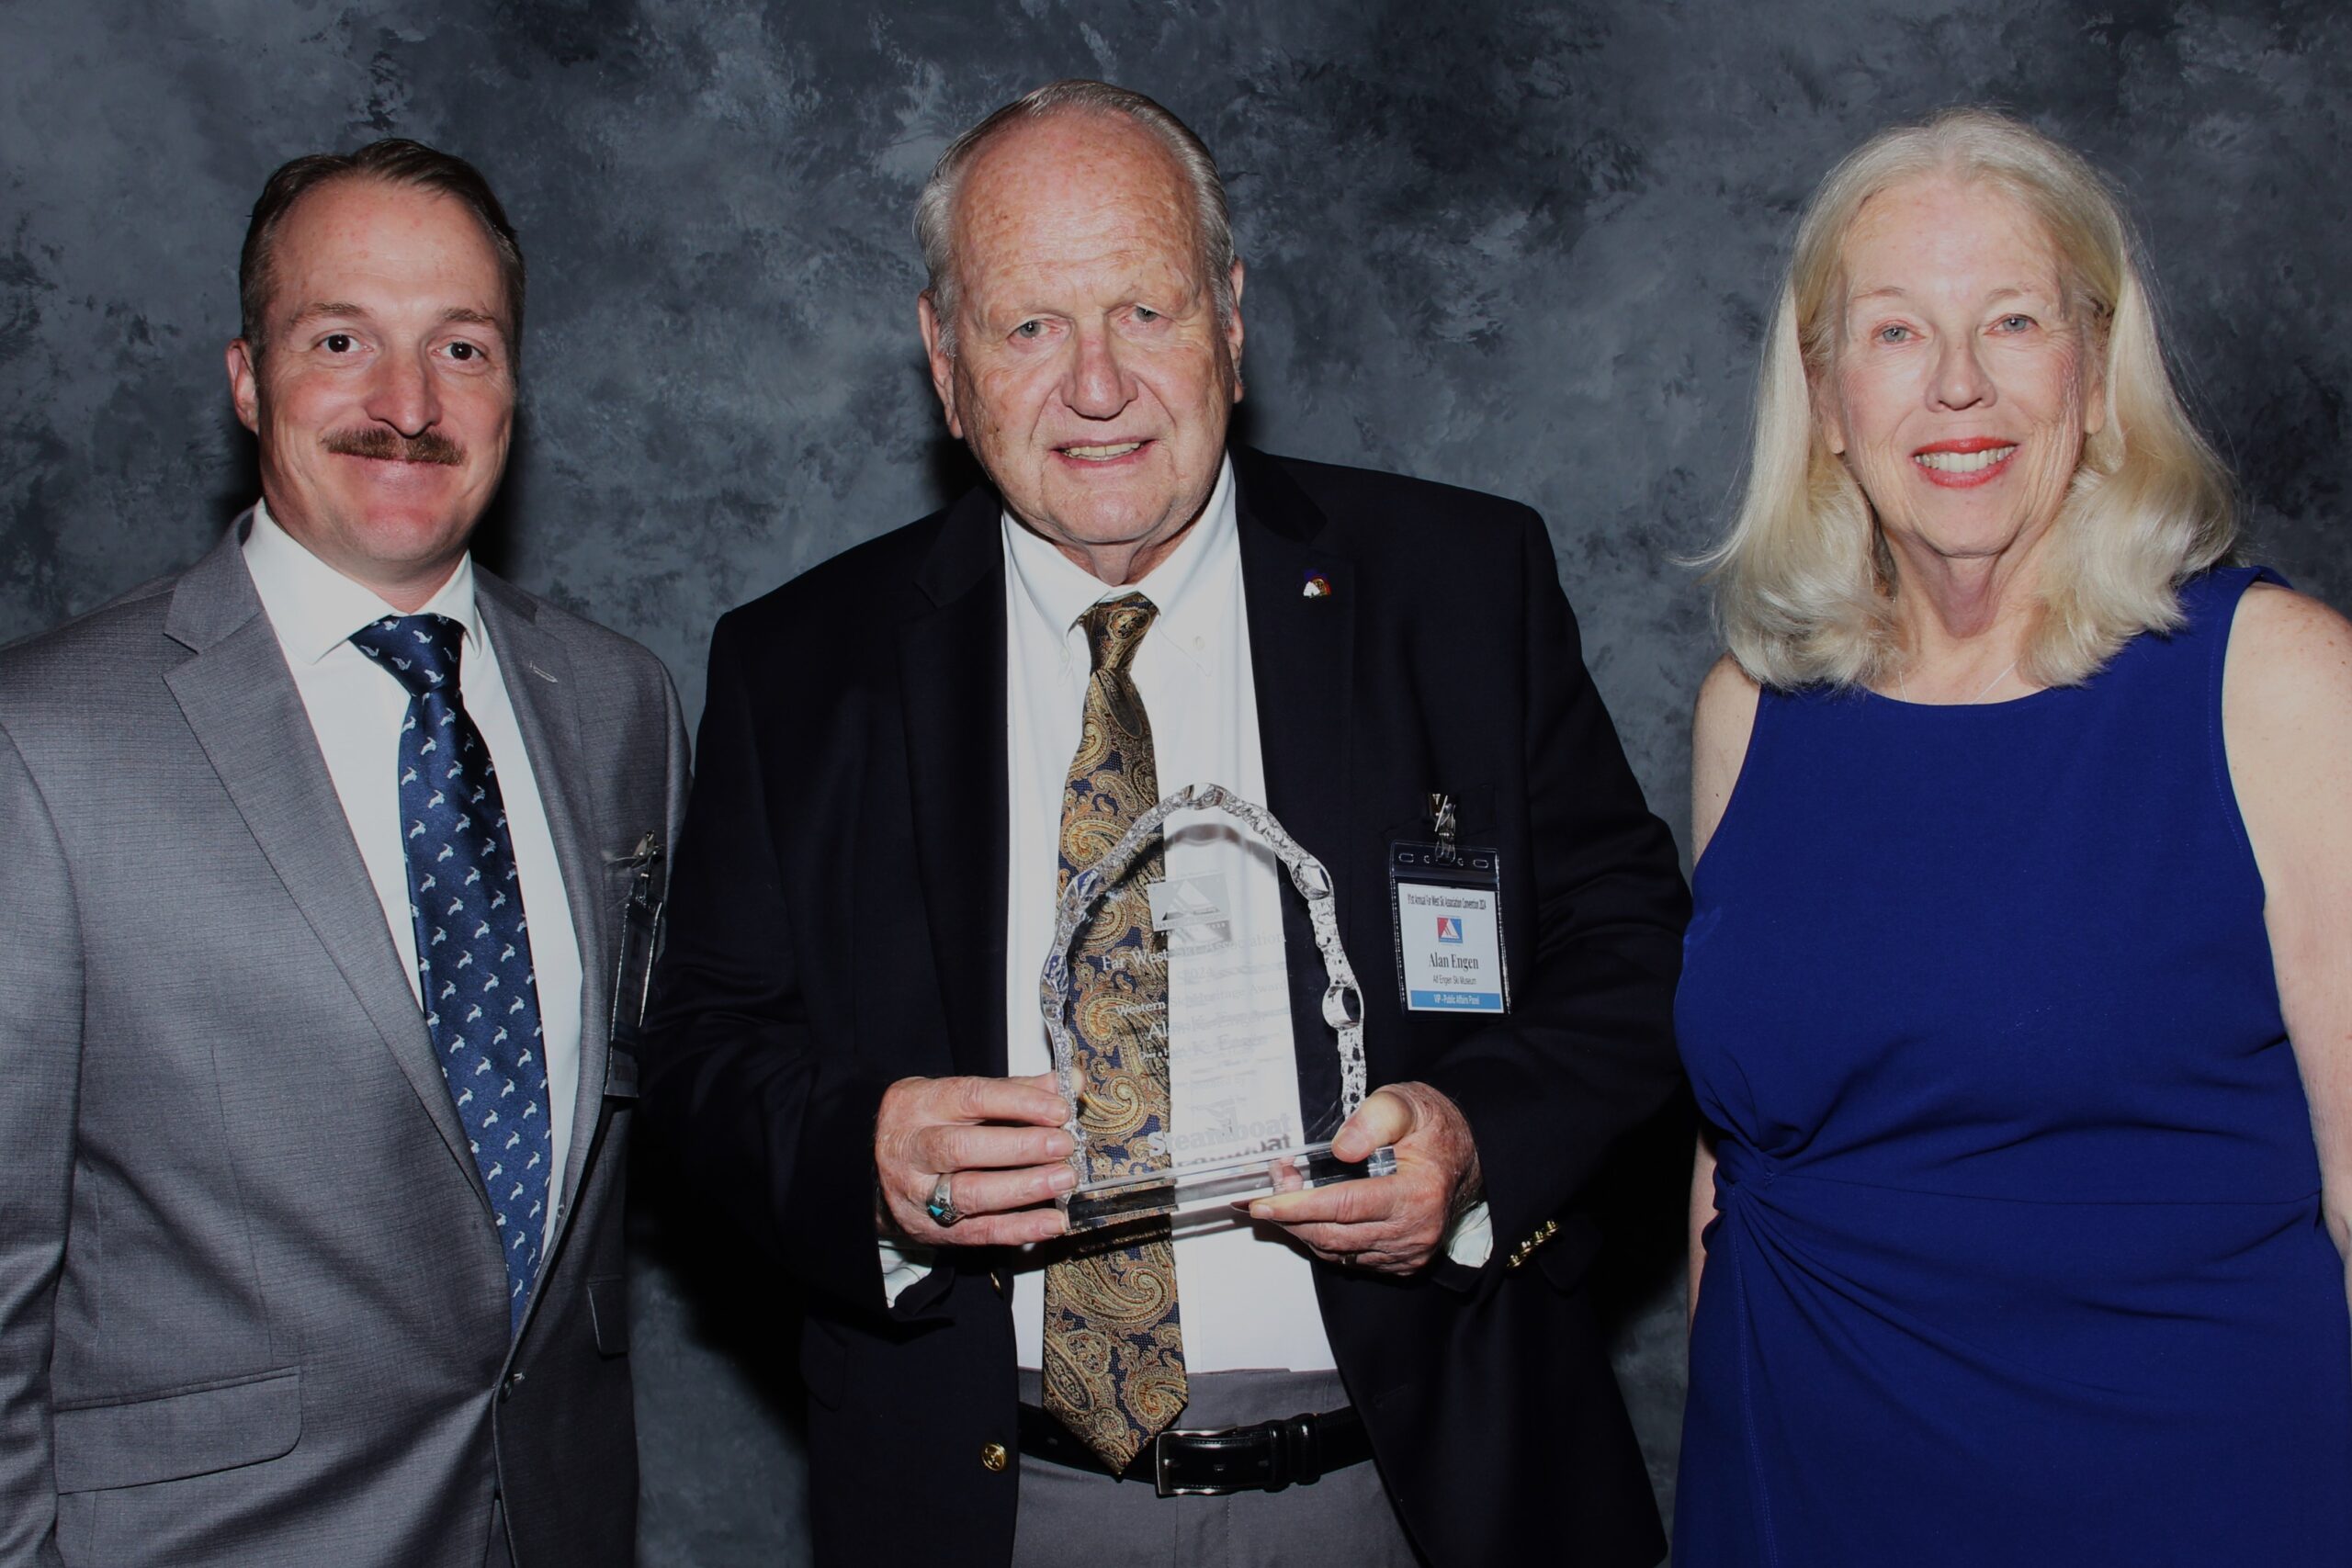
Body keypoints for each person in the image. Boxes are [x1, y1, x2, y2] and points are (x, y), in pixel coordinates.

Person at [641, 79, 1687, 1568]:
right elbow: (700, 1052)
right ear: (944, 363)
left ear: (1233, 320)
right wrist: (859, 1154)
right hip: (1000, 1503)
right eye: (1027, 327)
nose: (1097, 385)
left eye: (1145, 309)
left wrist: (1474, 1139)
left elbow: (1634, 947)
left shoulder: (1461, 585)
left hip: (1422, 1490)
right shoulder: (798, 667)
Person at [1675, 107, 2352, 1562]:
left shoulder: (2279, 680)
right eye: (1900, 335)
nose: (1961, 387)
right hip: (1793, 1488)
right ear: (1827, 393)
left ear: (2100, 375)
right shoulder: (1754, 710)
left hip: (2188, 1501)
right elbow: (1732, 1158)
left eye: (2015, 323)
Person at [0, 139, 689, 1566]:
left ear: (513, 388)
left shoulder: (621, 704)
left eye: (461, 345)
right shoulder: (45, 740)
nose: (406, 405)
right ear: (247, 377)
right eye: (340, 340)